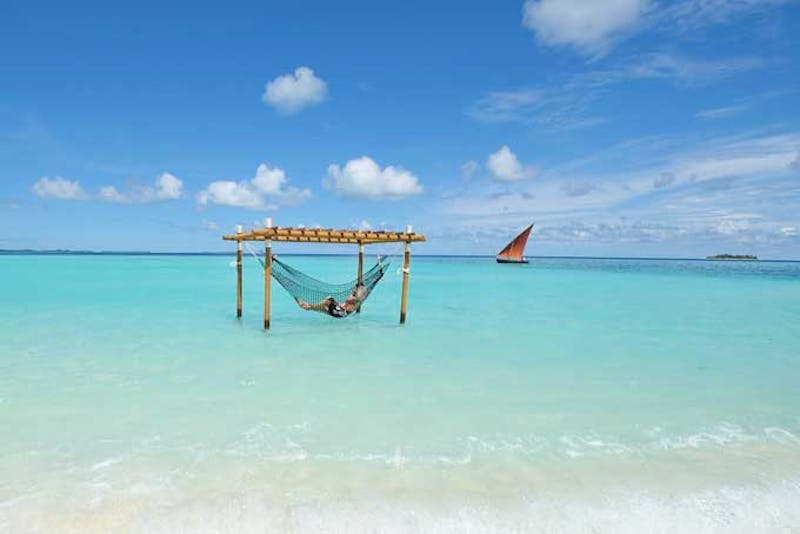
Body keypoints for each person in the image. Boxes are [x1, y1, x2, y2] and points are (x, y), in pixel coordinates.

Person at [297, 283, 368, 318]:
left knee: (326, 302)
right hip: (339, 309)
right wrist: (337, 304)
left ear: (358, 290)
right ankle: (308, 307)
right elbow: (344, 304)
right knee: (329, 298)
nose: (353, 289)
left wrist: (361, 290)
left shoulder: (356, 298)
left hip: (342, 313)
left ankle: (308, 306)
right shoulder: (352, 296)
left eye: (355, 288)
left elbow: (361, 296)